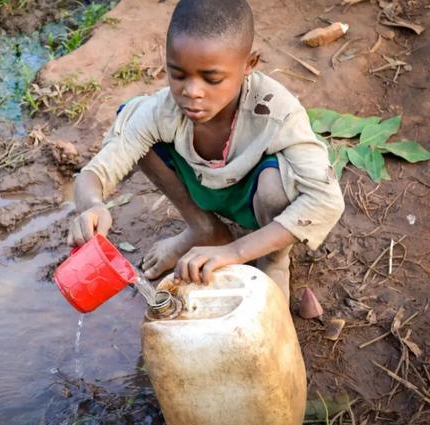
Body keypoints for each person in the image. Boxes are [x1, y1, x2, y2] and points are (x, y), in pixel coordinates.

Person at [67, 0, 345, 301]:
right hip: (203, 188)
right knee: (132, 119)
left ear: (249, 65)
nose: (192, 92)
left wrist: (235, 252)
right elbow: (95, 172)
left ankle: (274, 260)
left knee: (278, 189)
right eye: (178, 75)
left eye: (212, 79)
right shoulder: (165, 110)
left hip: (254, 199)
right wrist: (92, 204)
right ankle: (203, 229)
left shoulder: (277, 115)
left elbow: (325, 201)